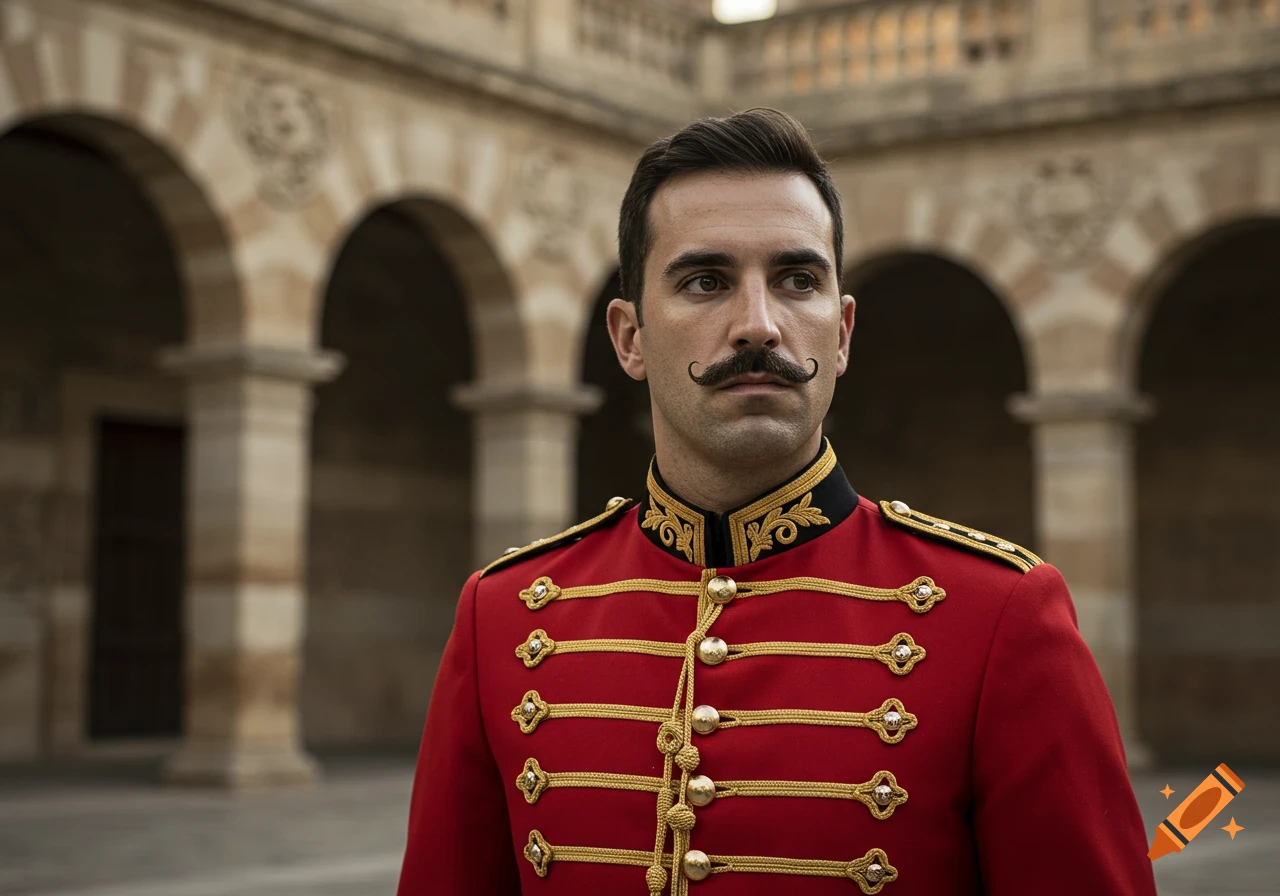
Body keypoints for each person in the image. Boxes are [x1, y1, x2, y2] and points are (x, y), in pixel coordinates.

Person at [396, 108, 1157, 896]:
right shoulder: (507, 614)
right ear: (628, 337)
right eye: (705, 281)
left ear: (843, 332)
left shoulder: (1000, 617)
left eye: (798, 280)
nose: (757, 325)